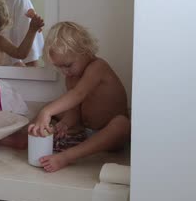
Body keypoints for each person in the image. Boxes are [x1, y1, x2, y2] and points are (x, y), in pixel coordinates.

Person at [28, 22, 131, 173]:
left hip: (111, 135)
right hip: (88, 130)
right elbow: (75, 107)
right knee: (52, 110)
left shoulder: (98, 67)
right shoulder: (71, 77)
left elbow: (78, 94)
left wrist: (46, 111)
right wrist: (65, 123)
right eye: (59, 67)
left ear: (85, 51)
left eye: (68, 65)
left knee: (122, 124)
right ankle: (26, 138)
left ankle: (66, 157)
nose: (65, 72)